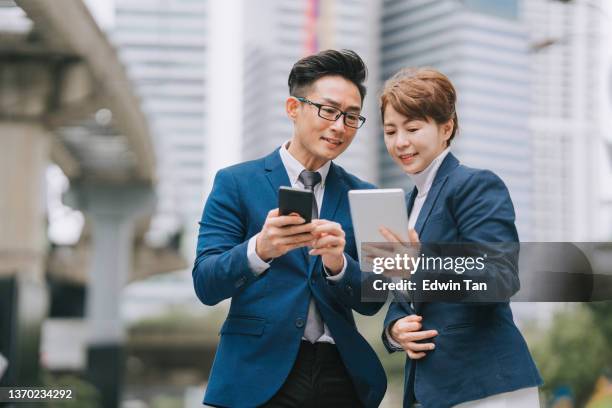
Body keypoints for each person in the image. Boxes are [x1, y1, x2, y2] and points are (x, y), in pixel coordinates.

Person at [192, 49, 386, 408]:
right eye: (328, 110)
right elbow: (205, 283)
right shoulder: (235, 182)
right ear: (293, 108)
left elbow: (374, 300)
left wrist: (338, 264)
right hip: (256, 373)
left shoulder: (370, 197)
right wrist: (259, 249)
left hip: (339, 375)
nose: (339, 126)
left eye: (352, 117)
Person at [378, 68, 542, 408]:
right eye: (390, 131)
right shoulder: (406, 206)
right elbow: (403, 297)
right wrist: (395, 332)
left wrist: (420, 265)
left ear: (446, 128)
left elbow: (499, 277)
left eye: (412, 128)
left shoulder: (474, 185)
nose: (400, 142)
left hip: (487, 388)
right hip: (433, 391)